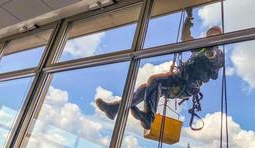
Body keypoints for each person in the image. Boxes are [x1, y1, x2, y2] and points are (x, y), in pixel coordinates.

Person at [96, 10, 224, 130]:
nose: (210, 38)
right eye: (209, 35)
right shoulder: (200, 48)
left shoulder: (218, 54)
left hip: (187, 85)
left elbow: (214, 68)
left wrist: (212, 56)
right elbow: (185, 38)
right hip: (179, 79)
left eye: (213, 36)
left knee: (154, 80)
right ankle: (115, 108)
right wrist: (188, 19)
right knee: (146, 88)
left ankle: (148, 117)